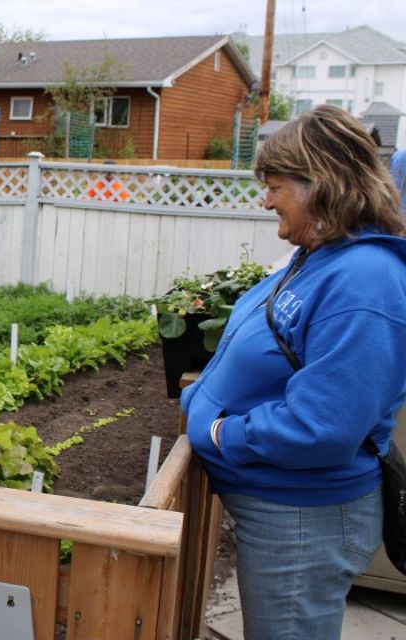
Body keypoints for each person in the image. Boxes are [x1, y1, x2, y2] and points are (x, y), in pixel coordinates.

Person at [181, 105, 406, 639]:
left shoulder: (365, 283)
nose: (266, 199)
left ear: (319, 185)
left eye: (275, 185)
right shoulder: (325, 255)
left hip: (304, 524)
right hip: (288, 518)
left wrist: (218, 431)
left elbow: (321, 429)